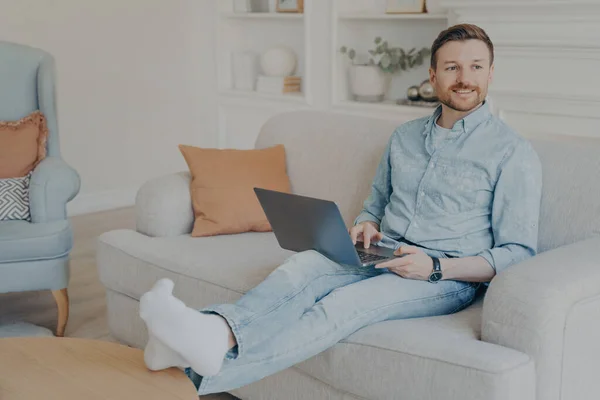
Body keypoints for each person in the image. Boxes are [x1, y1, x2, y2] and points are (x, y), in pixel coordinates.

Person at [138, 23, 543, 395]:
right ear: (433, 76)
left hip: (443, 276)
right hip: (383, 249)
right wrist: (366, 225)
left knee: (338, 307)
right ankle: (211, 334)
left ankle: (186, 379)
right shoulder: (404, 137)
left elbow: (517, 254)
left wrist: (434, 267)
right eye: (452, 67)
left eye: (475, 66)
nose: (464, 78)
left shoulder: (512, 152)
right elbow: (375, 204)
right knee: (300, 269)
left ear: (491, 74)